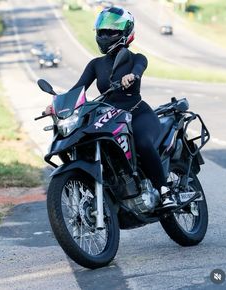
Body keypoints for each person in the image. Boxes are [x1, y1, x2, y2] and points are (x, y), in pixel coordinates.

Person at [46, 6, 176, 208]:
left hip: (137, 113)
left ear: (125, 33)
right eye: (102, 32)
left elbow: (140, 68)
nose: (105, 36)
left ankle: (165, 191)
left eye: (111, 32)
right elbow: (77, 89)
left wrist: (132, 76)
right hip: (112, 116)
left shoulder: (136, 58)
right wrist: (55, 105)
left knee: (142, 144)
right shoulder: (95, 64)